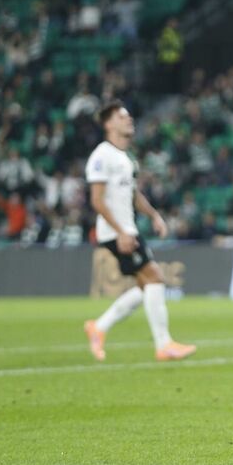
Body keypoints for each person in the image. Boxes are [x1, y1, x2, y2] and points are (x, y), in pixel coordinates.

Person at [82, 100, 195, 362]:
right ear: (109, 124)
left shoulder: (125, 159)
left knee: (148, 286)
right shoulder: (102, 156)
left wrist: (154, 215)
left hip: (128, 230)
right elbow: (97, 200)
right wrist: (121, 231)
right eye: (123, 117)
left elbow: (133, 195)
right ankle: (163, 344)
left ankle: (98, 327)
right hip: (115, 232)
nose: (129, 120)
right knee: (154, 278)